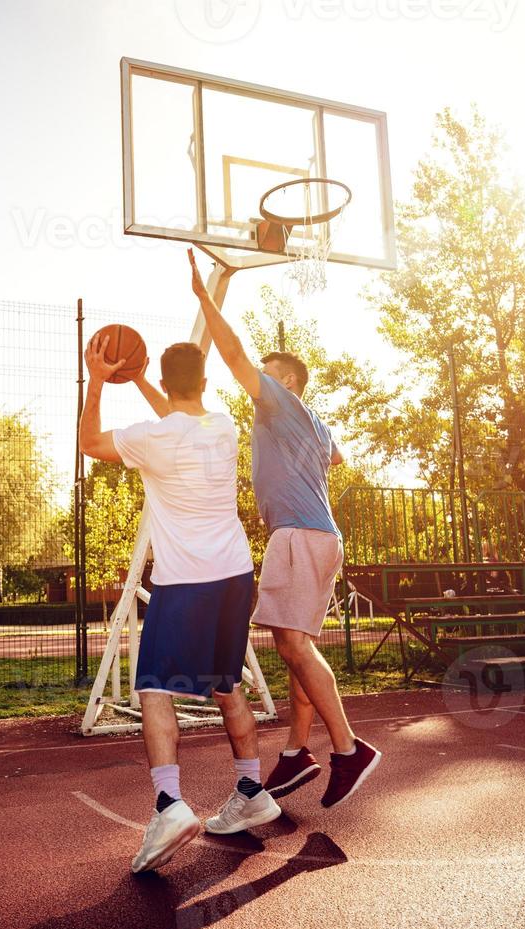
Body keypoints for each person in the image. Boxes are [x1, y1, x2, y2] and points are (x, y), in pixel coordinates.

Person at [79, 332, 282, 874]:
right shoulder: (222, 426)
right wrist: (142, 377)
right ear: (206, 384)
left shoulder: (154, 437)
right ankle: (252, 789)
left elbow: (89, 442)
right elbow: (179, 418)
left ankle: (169, 805)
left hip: (186, 581)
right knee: (226, 683)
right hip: (236, 574)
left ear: (167, 384)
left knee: (152, 687)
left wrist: (100, 379)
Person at [187, 249, 382, 810]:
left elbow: (232, 354)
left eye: (269, 376)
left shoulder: (281, 403)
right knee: (300, 646)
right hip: (320, 536)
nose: (258, 383)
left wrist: (206, 299)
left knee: (293, 645)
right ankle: (298, 750)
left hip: (298, 534)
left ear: (288, 382)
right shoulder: (314, 424)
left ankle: (348, 750)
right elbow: (338, 458)